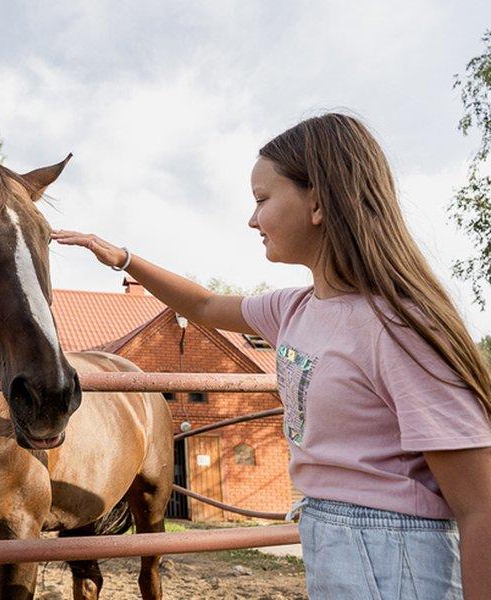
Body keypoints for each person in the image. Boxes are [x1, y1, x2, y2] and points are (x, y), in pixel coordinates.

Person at [53, 113, 491, 599]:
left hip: (396, 556)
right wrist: (125, 259)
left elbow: (481, 507)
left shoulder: (400, 327)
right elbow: (201, 304)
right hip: (328, 537)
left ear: (319, 203)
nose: (252, 218)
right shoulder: (294, 309)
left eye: (262, 199)